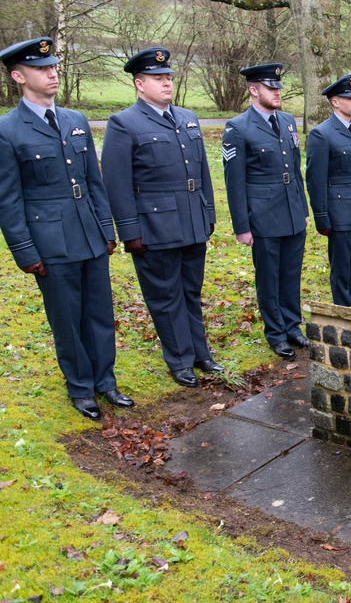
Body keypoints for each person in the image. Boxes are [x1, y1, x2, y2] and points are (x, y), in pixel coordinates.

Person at [0, 37, 134, 420]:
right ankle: (80, 387)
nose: (52, 73)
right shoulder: (8, 130)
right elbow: (8, 199)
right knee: (67, 316)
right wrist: (25, 251)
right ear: (18, 76)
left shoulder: (74, 120)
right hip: (50, 240)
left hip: (89, 233)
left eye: (54, 66)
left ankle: (105, 381)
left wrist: (106, 230)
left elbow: (94, 180)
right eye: (42, 69)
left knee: (100, 312)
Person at [102, 46, 223, 388]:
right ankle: (180, 359)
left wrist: (208, 211)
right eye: (158, 78)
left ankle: (201, 354)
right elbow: (116, 181)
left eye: (168, 76)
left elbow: (201, 170)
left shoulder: (187, 117)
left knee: (190, 292)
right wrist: (129, 231)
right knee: (165, 296)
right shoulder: (124, 123)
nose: (166, 82)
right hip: (154, 225)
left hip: (191, 219)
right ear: (140, 84)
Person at [222, 63, 309, 362]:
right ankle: (275, 333)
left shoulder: (286, 121)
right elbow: (234, 182)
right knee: (269, 277)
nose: (277, 93)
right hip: (263, 215)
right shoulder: (238, 127)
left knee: (291, 273)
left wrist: (304, 209)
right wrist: (241, 226)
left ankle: (292, 325)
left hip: (292, 211)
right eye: (271, 88)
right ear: (253, 90)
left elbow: (296, 170)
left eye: (278, 88)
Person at [306, 74, 351, 309]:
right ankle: (344, 315)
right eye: (349, 98)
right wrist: (321, 216)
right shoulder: (322, 133)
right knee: (342, 269)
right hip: (340, 212)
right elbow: (315, 179)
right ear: (335, 102)